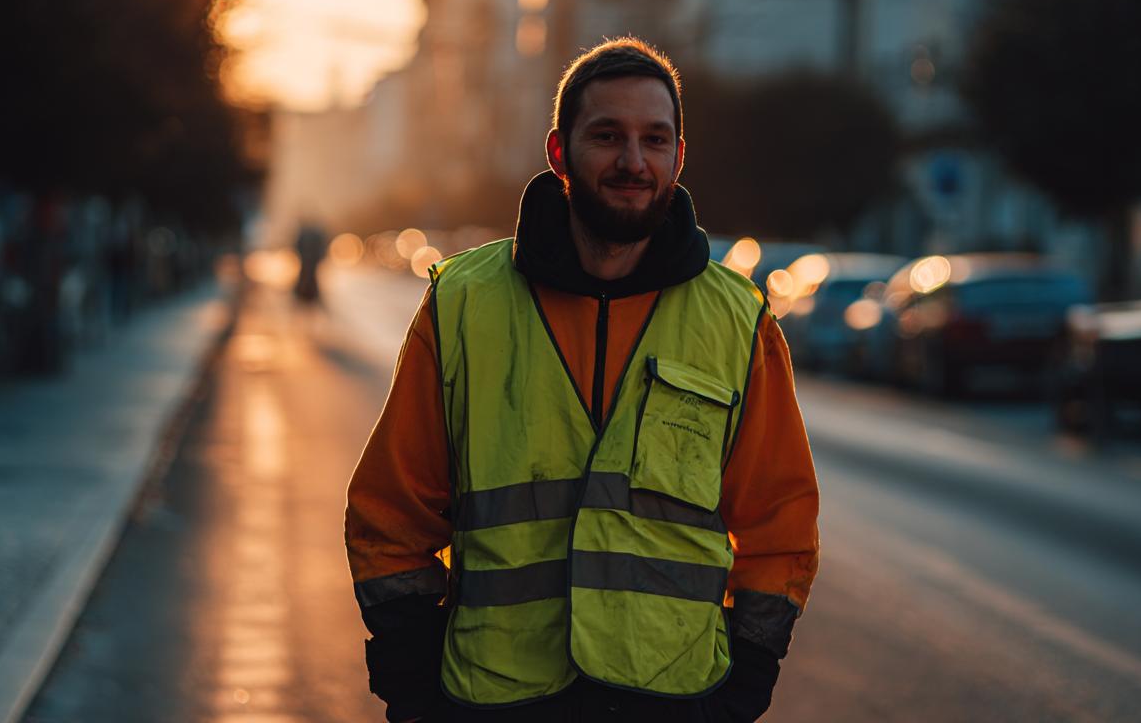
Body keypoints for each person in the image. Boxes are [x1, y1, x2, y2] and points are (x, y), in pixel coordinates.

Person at [345, 37, 819, 722]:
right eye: (607, 136)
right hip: (494, 698)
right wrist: (413, 687)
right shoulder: (464, 303)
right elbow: (388, 516)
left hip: (673, 700)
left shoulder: (736, 320)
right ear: (558, 152)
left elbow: (781, 525)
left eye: (655, 139)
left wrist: (744, 685)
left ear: (679, 158)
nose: (633, 161)